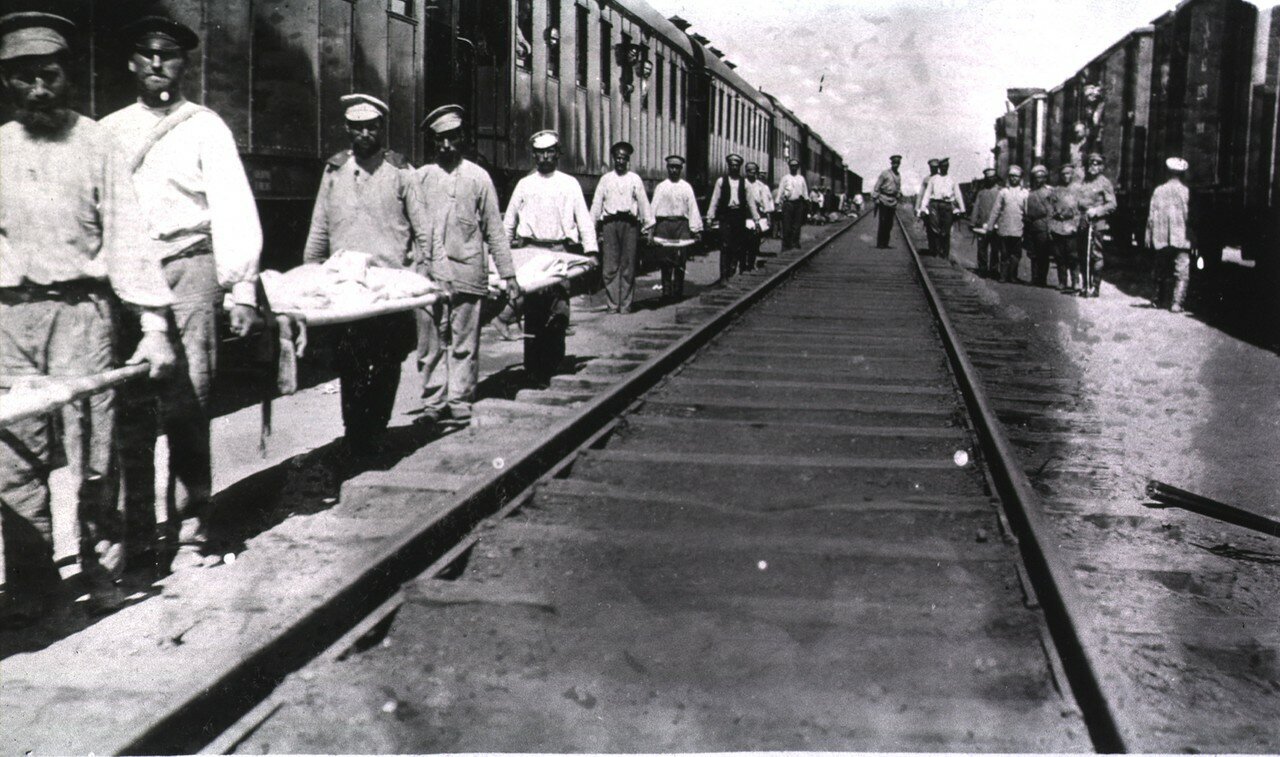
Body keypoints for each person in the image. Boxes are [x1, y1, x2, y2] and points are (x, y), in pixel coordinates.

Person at [0, 11, 177, 625]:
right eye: (23, 79)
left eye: (48, 76)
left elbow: (128, 236)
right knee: (14, 457)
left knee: (94, 452)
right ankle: (32, 586)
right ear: (7, 82)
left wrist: (154, 326)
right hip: (11, 319)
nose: (38, 90)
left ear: (67, 76)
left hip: (83, 313)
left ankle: (103, 570)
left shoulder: (98, 143)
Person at [102, 15, 263, 572]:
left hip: (190, 268)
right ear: (131, 62)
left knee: (189, 401)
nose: (156, 63)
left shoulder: (206, 127)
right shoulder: (109, 131)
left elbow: (232, 204)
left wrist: (242, 287)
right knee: (130, 409)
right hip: (128, 277)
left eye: (167, 55)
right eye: (147, 53)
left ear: (183, 64)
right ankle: (137, 535)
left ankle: (193, 529)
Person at [303, 93, 427, 446]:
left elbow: (424, 230)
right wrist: (310, 273)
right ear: (347, 130)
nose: (364, 134)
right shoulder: (334, 171)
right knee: (350, 360)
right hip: (346, 285)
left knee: (388, 358)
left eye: (371, 127)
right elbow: (320, 226)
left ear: (381, 128)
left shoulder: (402, 172)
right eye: (357, 128)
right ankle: (355, 432)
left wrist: (427, 274)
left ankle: (377, 427)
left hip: (388, 287)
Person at [414, 105, 518, 424]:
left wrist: (508, 274)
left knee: (463, 341)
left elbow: (495, 230)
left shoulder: (478, 177)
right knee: (430, 343)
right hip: (430, 276)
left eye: (452, 137)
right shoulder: (421, 178)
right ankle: (433, 402)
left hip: (468, 271)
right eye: (439, 139)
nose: (446, 145)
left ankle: (459, 398)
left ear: (462, 138)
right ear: (433, 142)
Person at [503, 130, 597, 386]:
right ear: (534, 155)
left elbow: (583, 219)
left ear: (558, 154)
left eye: (550, 152)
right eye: (540, 153)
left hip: (558, 252)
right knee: (533, 312)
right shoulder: (525, 185)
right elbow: (509, 221)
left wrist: (591, 251)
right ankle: (533, 370)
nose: (545, 157)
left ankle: (554, 366)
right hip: (531, 252)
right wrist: (502, 255)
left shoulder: (569, 184)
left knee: (558, 310)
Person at [590, 141, 651, 314]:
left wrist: (648, 226)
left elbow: (643, 203)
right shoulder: (605, 179)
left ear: (628, 160)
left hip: (629, 225)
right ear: (613, 159)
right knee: (610, 266)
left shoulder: (634, 179)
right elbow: (596, 203)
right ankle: (612, 304)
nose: (620, 161)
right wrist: (591, 225)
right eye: (617, 158)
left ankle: (625, 305)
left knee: (628, 265)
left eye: (624, 158)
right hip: (610, 224)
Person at [649, 155, 703, 299]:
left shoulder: (686, 187)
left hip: (681, 225)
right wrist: (650, 230)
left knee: (680, 258)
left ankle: (678, 290)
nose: (674, 170)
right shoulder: (661, 187)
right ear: (667, 168)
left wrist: (696, 230)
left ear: (681, 169)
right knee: (665, 259)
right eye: (671, 167)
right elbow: (652, 209)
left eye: (677, 168)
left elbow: (693, 209)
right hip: (664, 225)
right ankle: (666, 291)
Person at [1145, 157, 1194, 312]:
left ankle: (1157, 300)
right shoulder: (1186, 192)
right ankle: (1176, 303)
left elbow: (1151, 216)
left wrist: (1148, 235)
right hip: (1181, 237)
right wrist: (1193, 237)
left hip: (1161, 237)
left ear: (1167, 172)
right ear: (1183, 174)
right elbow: (1190, 217)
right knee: (1182, 271)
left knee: (1160, 268)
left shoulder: (1158, 191)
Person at [706, 153, 760, 284]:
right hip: (726, 216)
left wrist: (756, 220)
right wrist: (709, 217)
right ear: (728, 166)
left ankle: (732, 272)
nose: (734, 167)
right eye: (731, 165)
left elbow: (751, 203)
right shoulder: (721, 181)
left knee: (737, 246)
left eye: (736, 165)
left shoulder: (745, 183)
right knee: (725, 245)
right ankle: (723, 276)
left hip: (739, 216)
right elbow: (715, 200)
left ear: (739, 167)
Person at [1076, 152, 1117, 298]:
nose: (1093, 166)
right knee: (1083, 254)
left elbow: (1112, 204)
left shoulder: (1105, 183)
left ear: (1102, 167)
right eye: (1091, 163)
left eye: (1097, 163)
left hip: (1096, 223)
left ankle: (1095, 287)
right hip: (1083, 222)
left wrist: (1097, 211)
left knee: (1095, 255)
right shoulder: (1084, 182)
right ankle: (1085, 285)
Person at [918, 157, 966, 258]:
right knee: (934, 228)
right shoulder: (933, 179)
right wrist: (922, 208)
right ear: (939, 167)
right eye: (943, 166)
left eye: (946, 166)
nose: (945, 168)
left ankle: (944, 253)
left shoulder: (952, 179)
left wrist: (962, 209)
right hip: (934, 205)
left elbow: (958, 195)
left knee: (945, 230)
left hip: (947, 206)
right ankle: (935, 251)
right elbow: (927, 194)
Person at [988, 165, 1028, 283]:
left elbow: (1027, 212)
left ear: (1020, 178)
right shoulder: (1003, 192)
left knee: (1016, 254)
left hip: (1018, 228)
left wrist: (1026, 229)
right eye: (1011, 176)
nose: (1013, 178)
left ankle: (1013, 276)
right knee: (1004, 253)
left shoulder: (1025, 193)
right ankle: (1003, 276)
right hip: (1004, 228)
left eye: (1016, 176)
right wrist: (990, 225)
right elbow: (996, 210)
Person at [1049, 164, 1082, 292]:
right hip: (1058, 226)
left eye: (1068, 173)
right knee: (1059, 256)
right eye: (1063, 174)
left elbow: (1081, 210)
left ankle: (1075, 282)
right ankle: (1062, 281)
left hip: (1072, 227)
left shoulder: (1078, 190)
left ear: (1072, 175)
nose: (1066, 176)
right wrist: (1052, 224)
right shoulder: (1056, 190)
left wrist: (1077, 224)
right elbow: (1050, 209)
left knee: (1073, 256)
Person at [1025, 165, 1055, 286]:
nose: (1038, 180)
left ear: (1045, 178)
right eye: (1036, 177)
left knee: (1043, 253)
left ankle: (1042, 279)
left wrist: (1049, 227)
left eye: (1041, 177)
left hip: (1043, 225)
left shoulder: (1049, 192)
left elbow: (1051, 211)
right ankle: (1034, 278)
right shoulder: (1030, 192)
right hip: (1031, 225)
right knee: (1033, 254)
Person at [970, 168, 1001, 277]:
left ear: (995, 178)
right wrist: (972, 222)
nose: (990, 180)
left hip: (996, 226)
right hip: (982, 225)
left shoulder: (1000, 192)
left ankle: (994, 270)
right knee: (982, 249)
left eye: (992, 178)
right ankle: (982, 269)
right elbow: (976, 208)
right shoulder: (981, 193)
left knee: (995, 249)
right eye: (988, 178)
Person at [744, 161, 774, 270]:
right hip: (744, 214)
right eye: (748, 170)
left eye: (753, 171)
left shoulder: (761, 186)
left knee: (754, 240)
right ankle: (743, 264)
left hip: (757, 215)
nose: (751, 173)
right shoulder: (742, 183)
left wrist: (768, 216)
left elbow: (765, 202)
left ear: (756, 172)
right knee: (743, 240)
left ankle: (751, 263)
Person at [775, 158, 808, 250]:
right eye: (792, 166)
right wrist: (777, 202)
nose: (794, 167)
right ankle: (786, 245)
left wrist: (807, 200)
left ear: (798, 167)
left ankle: (795, 243)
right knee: (787, 225)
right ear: (789, 167)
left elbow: (805, 191)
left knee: (797, 225)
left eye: (795, 166)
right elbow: (780, 190)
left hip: (798, 203)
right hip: (788, 203)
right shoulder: (785, 178)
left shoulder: (801, 178)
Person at [871, 154, 902, 248]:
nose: (896, 165)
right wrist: (876, 198)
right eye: (894, 163)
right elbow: (877, 187)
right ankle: (880, 243)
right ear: (891, 163)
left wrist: (899, 194)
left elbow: (898, 188)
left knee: (889, 223)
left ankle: (886, 243)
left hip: (893, 201)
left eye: (898, 163)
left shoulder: (898, 175)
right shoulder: (885, 173)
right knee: (883, 222)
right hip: (883, 199)